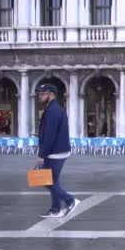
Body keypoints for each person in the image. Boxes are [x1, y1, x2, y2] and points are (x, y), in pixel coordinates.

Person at [36, 84, 81, 218]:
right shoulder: (53, 109)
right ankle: (55, 209)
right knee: (53, 180)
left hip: (55, 152)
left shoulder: (53, 111)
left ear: (51, 94)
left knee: (47, 181)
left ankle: (70, 200)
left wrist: (41, 155)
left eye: (42, 94)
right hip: (56, 151)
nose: (40, 97)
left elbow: (50, 134)